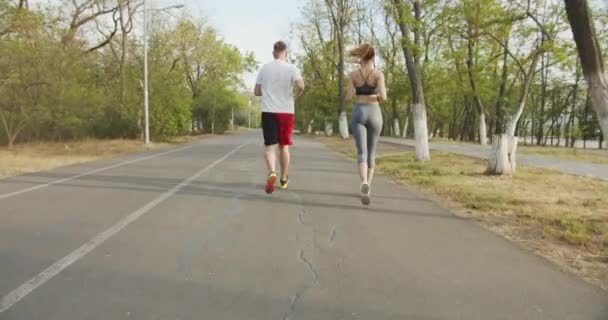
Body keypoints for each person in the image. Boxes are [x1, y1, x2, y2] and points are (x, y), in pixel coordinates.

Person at [254, 41, 305, 194]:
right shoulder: (292, 68)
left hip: (269, 110)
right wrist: (296, 94)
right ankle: (283, 179)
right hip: (286, 111)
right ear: (286, 53)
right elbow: (301, 86)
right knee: (284, 146)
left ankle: (272, 172)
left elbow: (256, 91)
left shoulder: (264, 68)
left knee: (270, 146)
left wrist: (269, 92)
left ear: (273, 52)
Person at [345, 44, 387, 205]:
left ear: (360, 57)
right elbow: (383, 97)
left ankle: (363, 182)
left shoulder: (353, 75)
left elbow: (348, 97)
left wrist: (356, 92)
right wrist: (374, 95)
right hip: (375, 113)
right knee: (372, 152)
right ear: (373, 57)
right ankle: (368, 185)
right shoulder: (378, 74)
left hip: (359, 111)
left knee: (361, 152)